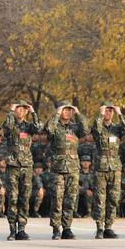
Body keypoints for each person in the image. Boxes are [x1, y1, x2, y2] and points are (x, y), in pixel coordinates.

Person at [45, 100, 90, 240]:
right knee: (57, 199)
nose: (67, 112)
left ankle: (67, 228)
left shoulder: (75, 127)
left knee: (70, 199)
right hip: (58, 168)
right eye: (65, 109)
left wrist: (78, 113)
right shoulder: (55, 126)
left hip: (72, 168)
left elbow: (86, 129)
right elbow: (48, 129)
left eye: (69, 110)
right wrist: (57, 113)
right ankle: (56, 229)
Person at [2, 100, 41, 241]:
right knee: (13, 198)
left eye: (23, 109)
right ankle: (12, 230)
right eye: (18, 109)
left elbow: (39, 128)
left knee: (24, 198)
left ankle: (22, 229)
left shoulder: (29, 126)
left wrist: (33, 112)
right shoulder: (10, 123)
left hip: (26, 166)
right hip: (13, 165)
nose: (21, 111)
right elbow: (7, 128)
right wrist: (11, 111)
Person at [91, 101, 125, 239]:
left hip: (115, 167)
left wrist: (120, 113)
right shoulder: (98, 127)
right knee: (100, 198)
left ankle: (108, 227)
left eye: (110, 111)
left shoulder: (117, 128)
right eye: (106, 111)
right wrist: (100, 113)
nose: (108, 113)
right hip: (101, 167)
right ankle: (99, 227)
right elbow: (95, 127)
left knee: (113, 198)